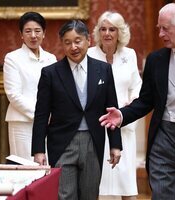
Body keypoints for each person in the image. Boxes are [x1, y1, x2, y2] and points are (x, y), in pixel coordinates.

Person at [99, 3, 175, 200]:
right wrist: (122, 114)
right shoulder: (156, 59)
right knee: (162, 193)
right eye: (159, 28)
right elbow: (146, 100)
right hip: (164, 135)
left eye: (166, 28)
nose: (161, 34)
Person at [31, 19, 122, 200]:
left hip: (93, 142)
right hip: (62, 143)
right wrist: (38, 150)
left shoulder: (103, 70)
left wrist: (115, 145)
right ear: (62, 45)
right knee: (65, 195)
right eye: (67, 42)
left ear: (88, 40)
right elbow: (41, 115)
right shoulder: (50, 73)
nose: (73, 47)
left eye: (78, 41)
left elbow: (112, 110)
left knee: (90, 195)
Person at [88, 11, 142, 200]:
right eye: (103, 29)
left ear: (120, 32)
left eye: (112, 29)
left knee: (126, 183)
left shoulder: (130, 54)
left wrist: (131, 104)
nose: (107, 33)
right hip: (99, 125)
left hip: (123, 123)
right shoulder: (89, 55)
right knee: (97, 183)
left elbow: (137, 86)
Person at [3, 12, 57, 161]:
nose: (33, 35)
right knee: (26, 169)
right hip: (22, 123)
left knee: (46, 170)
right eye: (28, 31)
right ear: (21, 34)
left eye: (37, 31)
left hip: (49, 124)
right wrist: (41, 116)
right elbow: (14, 95)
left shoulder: (51, 59)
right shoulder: (12, 58)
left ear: (44, 33)